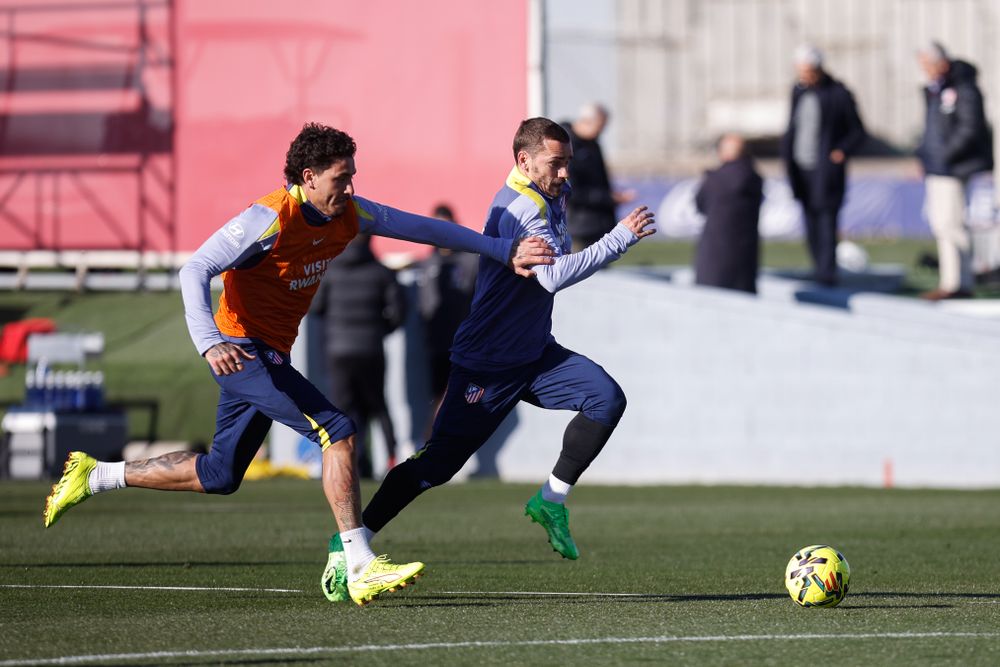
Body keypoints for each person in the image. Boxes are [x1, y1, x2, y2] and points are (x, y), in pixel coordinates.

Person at [41, 122, 554, 607]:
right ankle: (356, 562)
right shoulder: (267, 218)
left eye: (352, 175)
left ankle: (96, 475)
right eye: (341, 177)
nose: (350, 185)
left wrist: (501, 248)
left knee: (221, 474)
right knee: (339, 431)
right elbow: (193, 268)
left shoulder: (351, 213)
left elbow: (424, 230)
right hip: (241, 350)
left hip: (268, 354)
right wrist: (208, 342)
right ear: (308, 178)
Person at [317, 117, 655, 601]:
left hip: (535, 354)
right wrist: (618, 238)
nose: (564, 174)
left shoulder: (552, 191)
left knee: (605, 398)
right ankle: (351, 542)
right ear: (524, 160)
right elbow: (551, 277)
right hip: (488, 365)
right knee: (437, 467)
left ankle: (550, 499)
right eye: (556, 164)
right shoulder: (519, 208)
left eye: (567, 164)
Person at [312, 231, 404, 477]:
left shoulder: (331, 271)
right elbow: (398, 313)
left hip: (338, 351)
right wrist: (378, 331)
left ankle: (343, 466)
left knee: (342, 410)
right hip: (371, 349)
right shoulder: (382, 272)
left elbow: (317, 307)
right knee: (378, 407)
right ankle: (392, 461)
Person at [781, 45, 866, 286]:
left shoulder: (838, 94)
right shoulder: (798, 92)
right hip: (801, 168)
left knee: (827, 220)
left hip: (825, 171)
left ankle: (827, 272)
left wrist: (841, 152)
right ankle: (817, 266)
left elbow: (857, 132)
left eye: (808, 71)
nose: (804, 76)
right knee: (809, 220)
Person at [915, 41, 993, 301]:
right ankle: (951, 281)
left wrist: (944, 155)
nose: (925, 70)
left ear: (942, 63)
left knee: (951, 224)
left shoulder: (963, 89)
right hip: (938, 167)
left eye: (928, 64)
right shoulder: (938, 89)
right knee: (942, 224)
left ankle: (959, 284)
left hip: (953, 167)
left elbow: (969, 129)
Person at [417, 203, 479, 435]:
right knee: (438, 396)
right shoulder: (428, 264)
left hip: (463, 343)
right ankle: (434, 445)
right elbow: (423, 305)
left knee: (458, 396)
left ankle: (437, 443)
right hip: (435, 344)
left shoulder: (469, 261)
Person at [694, 134, 764, 294]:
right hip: (745, 256)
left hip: (713, 255)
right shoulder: (753, 178)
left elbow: (700, 204)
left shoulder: (714, 179)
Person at [561, 103, 635, 252]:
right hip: (579, 227)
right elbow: (571, 190)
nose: (602, 131)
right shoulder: (566, 146)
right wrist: (608, 198)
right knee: (580, 269)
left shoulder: (593, 143)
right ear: (587, 121)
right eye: (600, 126)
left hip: (598, 225)